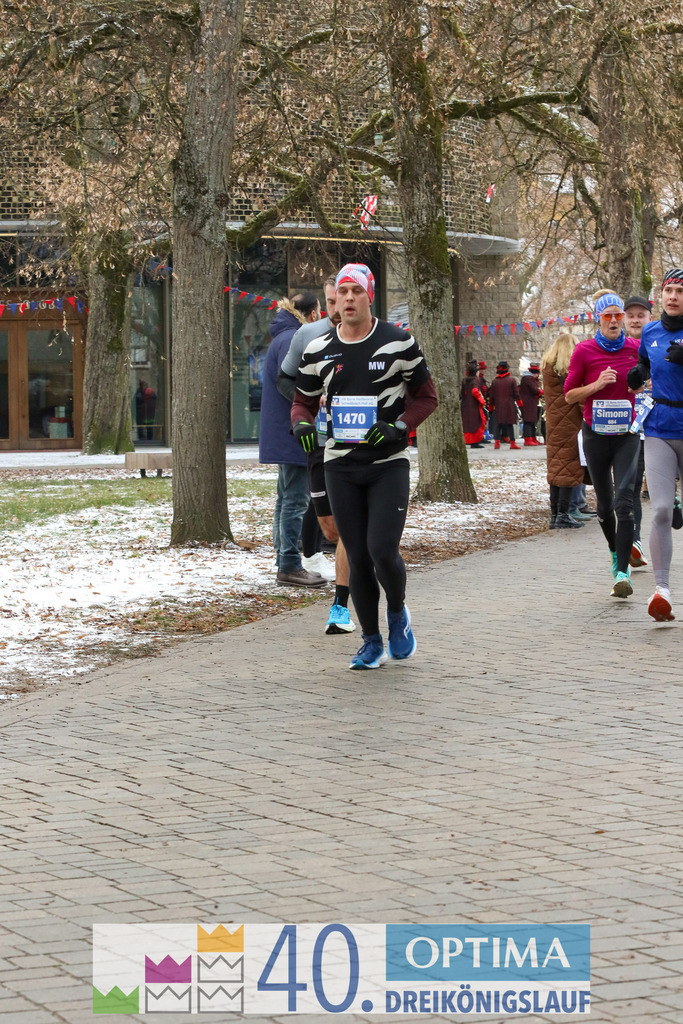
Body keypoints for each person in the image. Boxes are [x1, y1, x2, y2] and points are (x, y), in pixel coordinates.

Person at [291, 263, 438, 669]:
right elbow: (302, 399)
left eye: (357, 290)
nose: (350, 298)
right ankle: (371, 641)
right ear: (335, 299)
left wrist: (397, 428)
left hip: (387, 464)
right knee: (356, 556)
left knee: (382, 550)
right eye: (344, 291)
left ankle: (398, 615)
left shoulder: (398, 341)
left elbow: (427, 397)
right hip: (340, 465)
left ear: (369, 295)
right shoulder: (318, 349)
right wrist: (300, 422)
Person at [277, 275, 356, 634]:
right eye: (334, 297)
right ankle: (317, 556)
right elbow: (285, 381)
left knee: (355, 525)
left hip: (358, 447)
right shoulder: (308, 336)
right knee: (326, 521)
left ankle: (348, 602)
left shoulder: (375, 338)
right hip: (319, 441)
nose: (339, 305)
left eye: (348, 295)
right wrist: (306, 409)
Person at [564, 292, 641, 598]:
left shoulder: (636, 349)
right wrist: (597, 385)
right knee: (605, 507)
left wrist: (644, 383)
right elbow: (569, 395)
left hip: (627, 435)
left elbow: (651, 379)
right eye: (607, 316)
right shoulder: (584, 351)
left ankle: (623, 572)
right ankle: (614, 552)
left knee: (624, 501)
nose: (613, 321)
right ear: (598, 318)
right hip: (595, 436)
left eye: (618, 316)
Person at [259, 291, 326, 588]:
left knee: (286, 497)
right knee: (295, 500)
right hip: (293, 432)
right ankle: (288, 563)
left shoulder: (283, 335)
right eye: (322, 311)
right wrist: (315, 401)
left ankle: (283, 558)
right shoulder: (292, 338)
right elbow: (293, 385)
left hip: (285, 431)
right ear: (311, 314)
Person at [627, 268, 683, 621]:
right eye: (669, 290)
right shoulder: (650, 331)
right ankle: (662, 591)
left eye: (680, 291)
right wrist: (638, 375)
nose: (674, 297)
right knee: (661, 510)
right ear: (660, 295)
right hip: (660, 426)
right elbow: (645, 367)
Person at [541, 333, 584, 529]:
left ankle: (554, 514)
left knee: (556, 469)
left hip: (553, 422)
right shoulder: (569, 371)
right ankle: (564, 514)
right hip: (570, 424)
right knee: (569, 468)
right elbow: (579, 398)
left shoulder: (548, 368)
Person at [624, 295, 654, 568]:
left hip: (658, 426)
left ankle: (675, 500)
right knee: (630, 487)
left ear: (649, 318)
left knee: (659, 488)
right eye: (630, 315)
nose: (635, 320)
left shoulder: (660, 343)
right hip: (627, 429)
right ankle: (634, 542)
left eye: (640, 315)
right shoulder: (619, 348)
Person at [488, 361, 521, 449]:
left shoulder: (495, 382)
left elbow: (492, 397)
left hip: (498, 405)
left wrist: (490, 408)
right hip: (509, 405)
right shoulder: (511, 380)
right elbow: (516, 394)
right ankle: (512, 443)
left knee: (499, 424)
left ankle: (497, 443)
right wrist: (520, 404)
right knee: (509, 424)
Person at [460, 359, 486, 448]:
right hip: (474, 406)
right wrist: (482, 401)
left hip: (465, 405)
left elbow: (462, 393)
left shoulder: (465, 380)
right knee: (477, 422)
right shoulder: (475, 380)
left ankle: (469, 440)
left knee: (468, 423)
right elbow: (475, 391)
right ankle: (475, 442)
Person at [519, 363, 543, 446]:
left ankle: (533, 438)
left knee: (532, 421)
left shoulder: (527, 378)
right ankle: (528, 439)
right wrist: (542, 391)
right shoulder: (529, 379)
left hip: (530, 402)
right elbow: (535, 390)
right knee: (528, 421)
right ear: (535, 373)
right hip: (528, 403)